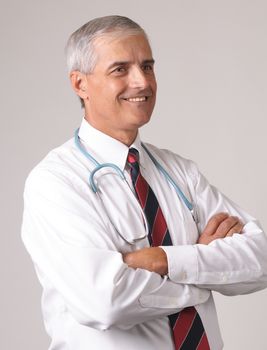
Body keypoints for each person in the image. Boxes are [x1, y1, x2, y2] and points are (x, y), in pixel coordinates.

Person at [21, 15, 267, 350]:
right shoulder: (55, 182)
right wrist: (202, 273)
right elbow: (105, 301)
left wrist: (163, 260)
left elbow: (260, 259)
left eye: (147, 66)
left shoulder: (180, 171)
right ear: (80, 84)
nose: (142, 82)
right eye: (120, 69)